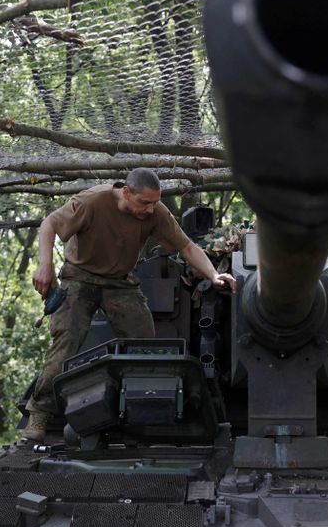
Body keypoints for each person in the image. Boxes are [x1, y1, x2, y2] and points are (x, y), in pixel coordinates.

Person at [23, 168, 236, 442]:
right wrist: (45, 266)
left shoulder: (156, 212)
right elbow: (49, 224)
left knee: (146, 344)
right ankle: (39, 413)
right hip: (80, 277)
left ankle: (144, 409)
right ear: (126, 191)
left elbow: (187, 247)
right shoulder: (92, 202)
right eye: (144, 203)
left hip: (120, 282)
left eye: (154, 202)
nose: (150, 210)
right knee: (67, 340)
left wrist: (214, 275)